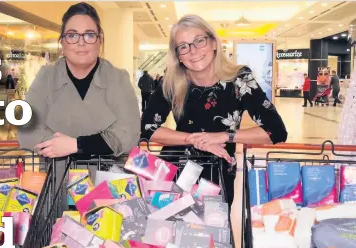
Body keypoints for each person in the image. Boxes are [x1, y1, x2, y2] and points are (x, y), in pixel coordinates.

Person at [140, 14, 288, 206]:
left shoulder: (239, 79)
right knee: (170, 231)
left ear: (214, 43)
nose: (193, 51)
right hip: (176, 173)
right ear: (178, 56)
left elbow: (276, 131)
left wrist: (224, 136)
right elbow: (147, 129)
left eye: (199, 41)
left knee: (215, 231)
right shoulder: (172, 81)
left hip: (217, 174)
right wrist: (193, 139)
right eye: (183, 46)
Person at [18, 2, 140, 160]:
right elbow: (27, 131)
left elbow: (129, 134)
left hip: (108, 180)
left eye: (89, 35)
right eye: (72, 35)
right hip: (58, 178)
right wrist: (98, 143)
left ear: (99, 40)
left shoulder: (118, 79)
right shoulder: (46, 77)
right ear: (62, 42)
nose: (81, 42)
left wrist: (76, 145)